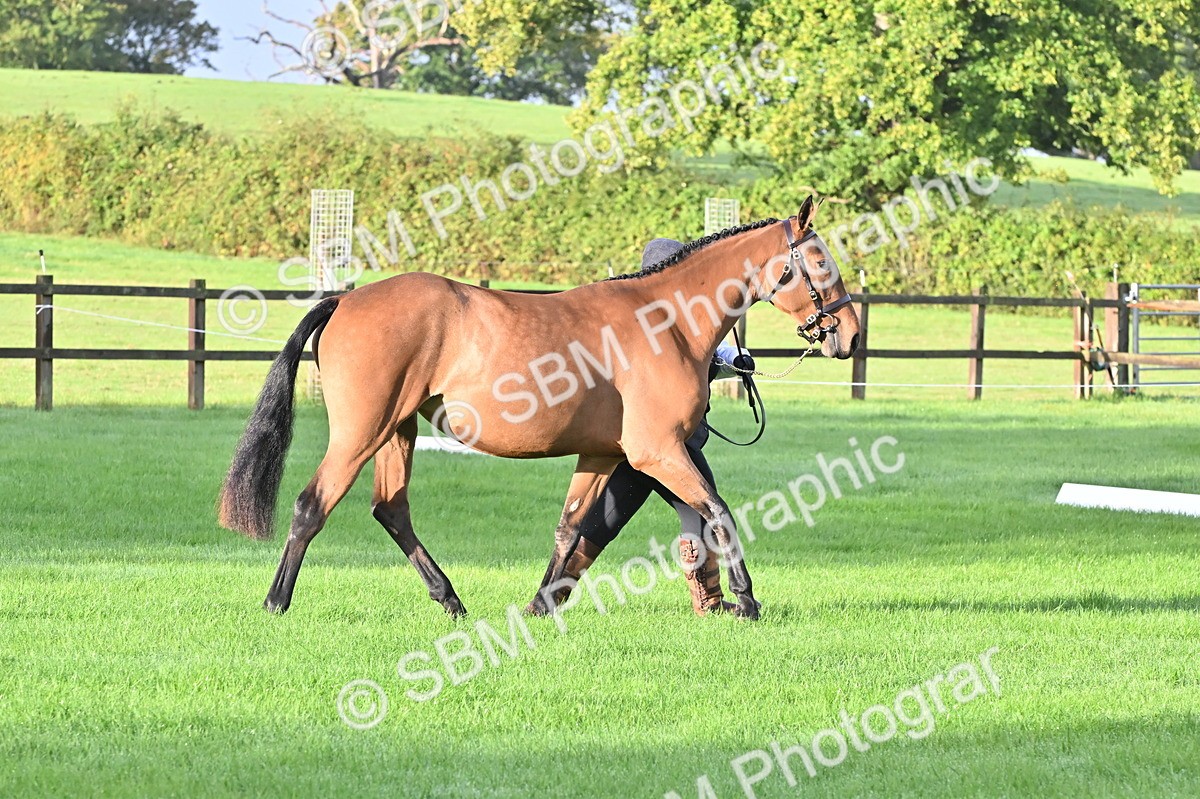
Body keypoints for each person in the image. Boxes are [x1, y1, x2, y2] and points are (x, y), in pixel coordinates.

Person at [560, 238, 756, 615]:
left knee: (605, 525)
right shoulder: (645, 324)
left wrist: (736, 359)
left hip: (657, 446)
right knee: (695, 513)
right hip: (659, 449)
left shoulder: (681, 319)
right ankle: (709, 603)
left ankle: (549, 599)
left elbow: (711, 353)